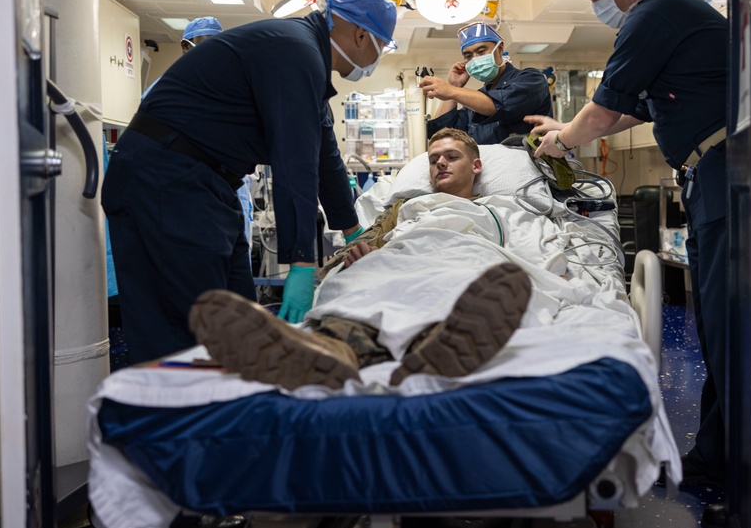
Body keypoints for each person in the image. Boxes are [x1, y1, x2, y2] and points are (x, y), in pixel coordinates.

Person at [528, 0, 732, 487]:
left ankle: (749, 472)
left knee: (732, 323)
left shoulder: (653, 16)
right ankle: (720, 455)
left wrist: (566, 140)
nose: (600, 7)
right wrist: (565, 129)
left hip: (733, 175)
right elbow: (628, 111)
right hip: (716, 173)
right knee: (718, 323)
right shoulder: (665, 15)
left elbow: (598, 113)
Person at [102, 0, 396, 366]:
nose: (376, 57)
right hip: (165, 182)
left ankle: (226, 411)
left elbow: (325, 155)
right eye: (382, 46)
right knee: (185, 331)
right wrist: (302, 264)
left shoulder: (306, 62)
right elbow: (295, 161)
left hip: (206, 187)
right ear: (361, 34)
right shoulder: (295, 50)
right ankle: (175, 417)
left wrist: (355, 232)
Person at [190, 128, 533, 389]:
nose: (439, 162)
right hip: (402, 257)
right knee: (364, 282)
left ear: (476, 166)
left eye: (451, 157)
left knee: (454, 284)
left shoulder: (501, 207)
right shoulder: (402, 208)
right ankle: (330, 350)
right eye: (432, 159)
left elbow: (533, 248)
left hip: (461, 256)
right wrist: (353, 256)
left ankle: (432, 342)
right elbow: (353, 249)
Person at [420, 22, 552, 144]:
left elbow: (498, 105)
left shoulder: (531, 79)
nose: (475, 59)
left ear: (500, 49)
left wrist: (450, 90)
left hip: (525, 167)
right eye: (468, 56)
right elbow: (442, 135)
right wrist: (455, 85)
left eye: (481, 51)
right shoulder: (473, 107)